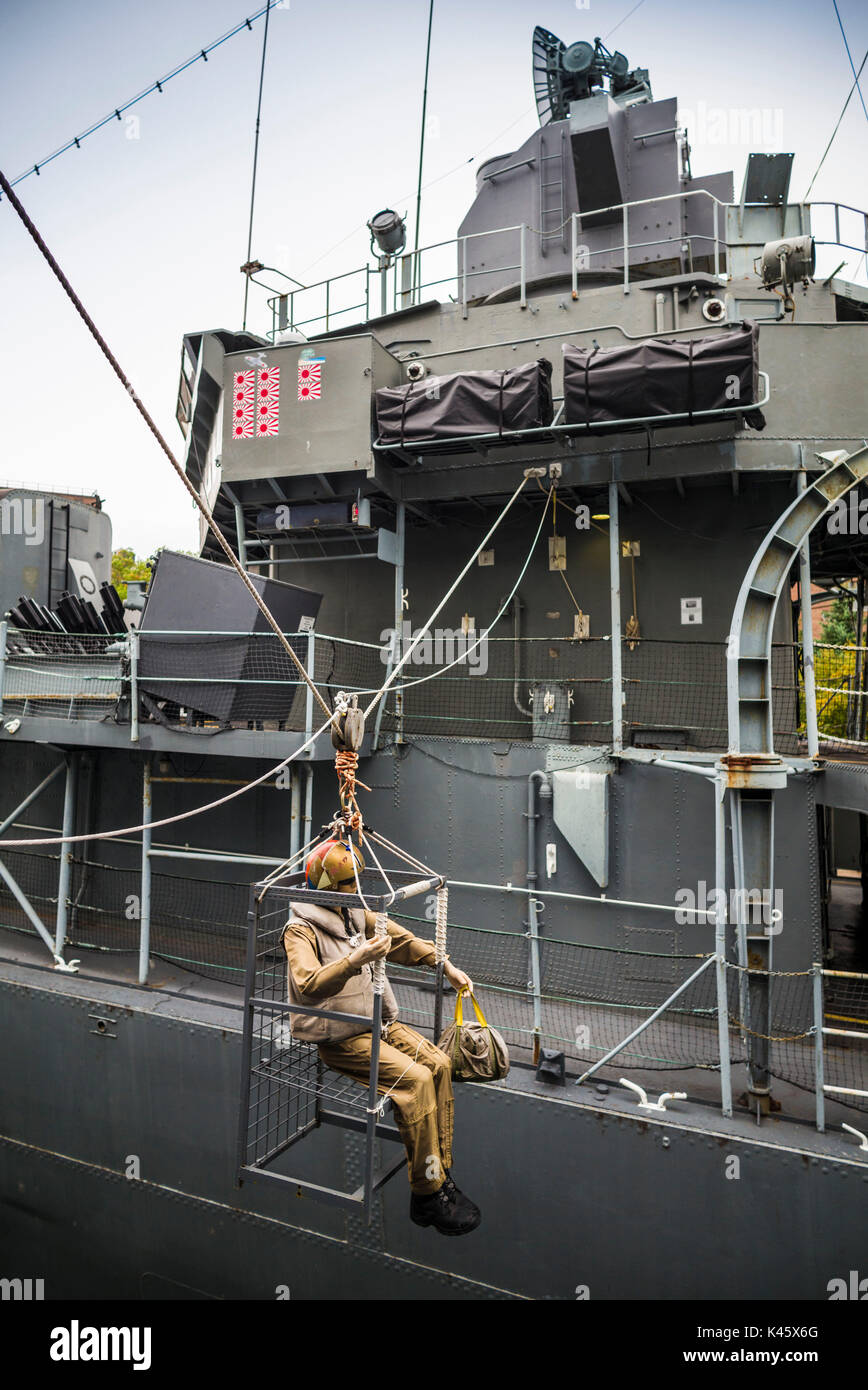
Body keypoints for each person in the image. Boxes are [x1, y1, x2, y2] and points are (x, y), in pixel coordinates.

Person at [283, 837, 481, 1236]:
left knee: (439, 1065)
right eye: (346, 883)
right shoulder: (299, 929)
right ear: (325, 886)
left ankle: (438, 1173)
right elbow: (307, 983)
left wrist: (446, 966)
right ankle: (427, 1194)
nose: (355, 888)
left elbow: (403, 941)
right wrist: (356, 960)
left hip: (377, 1023)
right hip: (340, 1039)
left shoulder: (354, 914)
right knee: (417, 1081)